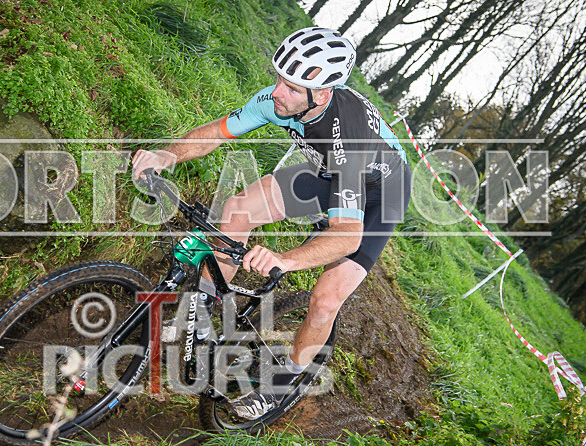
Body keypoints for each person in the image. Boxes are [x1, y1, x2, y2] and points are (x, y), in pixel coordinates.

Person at [132, 27, 411, 420]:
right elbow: (216, 132)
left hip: (383, 194)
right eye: (279, 78)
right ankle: (209, 318)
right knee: (238, 208)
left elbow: (347, 237)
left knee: (325, 300)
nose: (278, 91)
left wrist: (287, 259)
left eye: (292, 87)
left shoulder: (348, 139)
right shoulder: (278, 99)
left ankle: (281, 386)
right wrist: (166, 156)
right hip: (327, 173)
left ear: (323, 94)